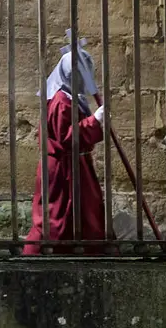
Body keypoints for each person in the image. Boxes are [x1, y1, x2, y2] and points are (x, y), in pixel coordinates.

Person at [23, 49, 107, 255]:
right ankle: (42, 251)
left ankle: (80, 247)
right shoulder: (62, 100)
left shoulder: (70, 97)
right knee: (57, 212)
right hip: (63, 167)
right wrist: (94, 120)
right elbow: (66, 137)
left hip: (74, 164)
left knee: (83, 208)